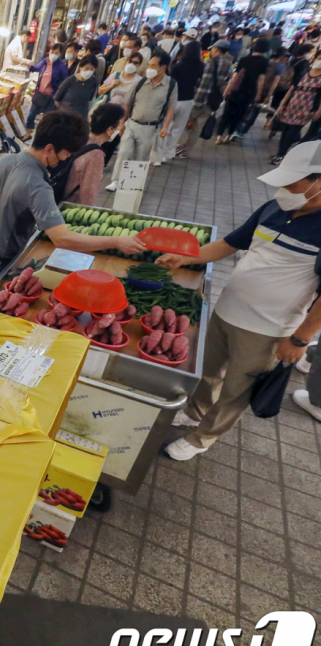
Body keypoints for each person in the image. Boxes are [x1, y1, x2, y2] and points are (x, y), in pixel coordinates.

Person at [162, 143, 321, 461]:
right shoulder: (273, 209)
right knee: (208, 371)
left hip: (268, 328)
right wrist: (187, 257)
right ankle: (195, 412)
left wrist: (301, 338)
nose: (284, 190)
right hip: (227, 310)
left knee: (237, 388)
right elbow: (229, 243)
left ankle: (202, 438)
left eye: (292, 184)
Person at [0, 111, 145, 299]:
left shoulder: (0, 160)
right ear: (49, 149)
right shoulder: (38, 186)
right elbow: (62, 239)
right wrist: (116, 242)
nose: (65, 160)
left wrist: (2, 203)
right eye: (65, 154)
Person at [106, 52, 177, 191]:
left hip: (149, 128)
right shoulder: (141, 82)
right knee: (123, 152)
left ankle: (131, 184)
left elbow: (171, 108)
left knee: (140, 157)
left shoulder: (171, 85)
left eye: (153, 66)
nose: (149, 68)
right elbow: (128, 103)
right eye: (149, 65)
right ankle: (116, 181)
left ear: (163, 67)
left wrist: (165, 127)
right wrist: (122, 122)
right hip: (132, 123)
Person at [65, 103, 126, 205]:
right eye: (120, 126)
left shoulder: (81, 140)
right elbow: (88, 192)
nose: (121, 129)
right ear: (110, 130)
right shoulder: (96, 154)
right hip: (72, 205)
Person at [154, 40, 203, 164]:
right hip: (188, 100)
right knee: (177, 129)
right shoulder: (201, 66)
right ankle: (167, 154)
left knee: (164, 126)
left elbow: (170, 83)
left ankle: (158, 154)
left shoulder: (177, 66)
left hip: (173, 99)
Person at [180, 41, 233, 154]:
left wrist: (196, 102)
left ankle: (177, 147)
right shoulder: (229, 64)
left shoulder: (210, 63)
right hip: (213, 101)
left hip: (201, 100)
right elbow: (226, 84)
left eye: (212, 49)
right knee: (197, 128)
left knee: (182, 123)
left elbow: (203, 84)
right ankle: (185, 152)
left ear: (216, 49)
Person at [216, 38, 269, 144]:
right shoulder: (264, 61)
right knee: (239, 114)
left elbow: (234, 77)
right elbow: (261, 79)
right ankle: (228, 136)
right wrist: (258, 94)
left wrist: (227, 89)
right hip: (249, 92)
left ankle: (219, 136)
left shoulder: (244, 59)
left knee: (227, 112)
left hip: (236, 90)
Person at [269, 57, 321, 163]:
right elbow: (292, 89)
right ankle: (281, 153)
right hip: (292, 107)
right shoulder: (305, 73)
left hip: (306, 110)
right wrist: (282, 104)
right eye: (319, 58)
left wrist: (319, 111)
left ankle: (281, 154)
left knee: (291, 132)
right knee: (285, 131)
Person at [26, 43, 68, 131]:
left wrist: (59, 97)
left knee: (47, 119)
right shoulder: (45, 62)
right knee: (31, 115)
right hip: (40, 94)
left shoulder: (61, 67)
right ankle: (28, 132)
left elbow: (65, 83)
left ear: (60, 54)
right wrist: (28, 66)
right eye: (52, 52)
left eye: (56, 53)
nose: (53, 54)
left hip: (51, 97)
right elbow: (36, 68)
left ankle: (42, 133)